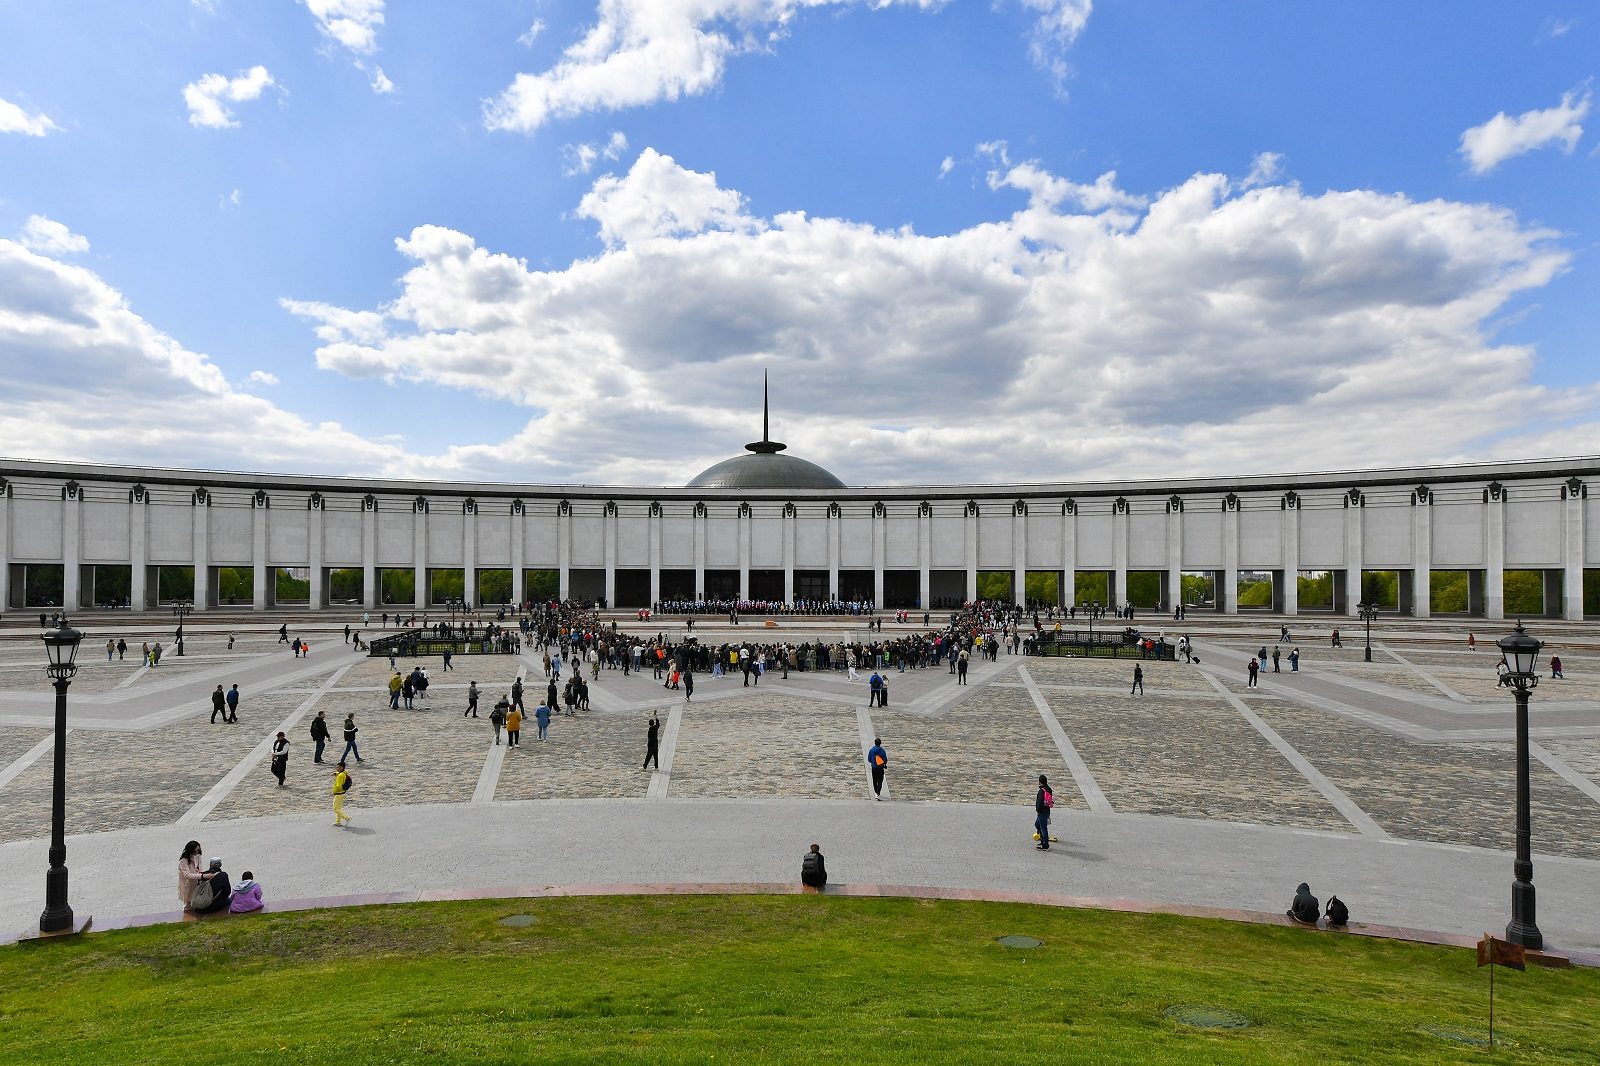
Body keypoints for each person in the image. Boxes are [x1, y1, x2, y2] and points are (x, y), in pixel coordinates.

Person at [178, 840, 207, 910]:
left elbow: (200, 866)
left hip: (197, 882)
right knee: (188, 903)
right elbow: (187, 875)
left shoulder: (198, 855)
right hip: (188, 884)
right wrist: (202, 876)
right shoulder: (183, 860)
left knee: (197, 899)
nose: (197, 852)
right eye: (195, 851)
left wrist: (202, 874)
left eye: (198, 850)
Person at [1034, 774, 1054, 851]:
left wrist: (1038, 811)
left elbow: (1039, 803)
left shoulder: (1041, 791)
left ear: (1039, 782)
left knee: (1043, 829)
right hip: (1047, 811)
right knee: (1037, 825)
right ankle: (1043, 840)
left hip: (1042, 812)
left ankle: (1045, 845)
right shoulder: (1049, 789)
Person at [332, 762, 352, 827]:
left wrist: (335, 791)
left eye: (338, 767)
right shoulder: (344, 773)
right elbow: (341, 774)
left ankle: (347, 818)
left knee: (335, 809)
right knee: (339, 808)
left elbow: (338, 786)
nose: (336, 768)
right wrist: (336, 773)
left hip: (338, 793)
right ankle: (338, 822)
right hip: (342, 793)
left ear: (342, 767)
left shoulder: (340, 776)